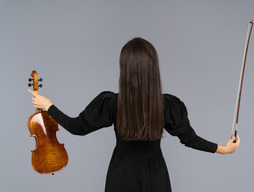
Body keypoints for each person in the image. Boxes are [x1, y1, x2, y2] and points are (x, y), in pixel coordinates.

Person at [29, 37, 240, 192]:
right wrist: (225, 150)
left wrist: (49, 106)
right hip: (155, 176)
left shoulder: (112, 103)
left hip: (120, 175)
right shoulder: (165, 105)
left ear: (125, 69)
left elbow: (77, 128)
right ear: (153, 69)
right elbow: (189, 139)